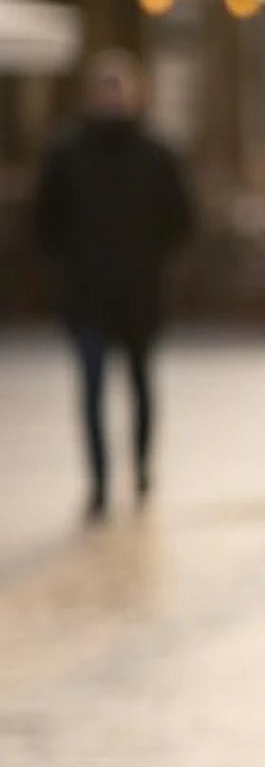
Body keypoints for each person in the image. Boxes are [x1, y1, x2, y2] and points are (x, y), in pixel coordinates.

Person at [31, 49, 195, 518]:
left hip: (140, 294)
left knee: (141, 385)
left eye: (118, 88)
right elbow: (45, 223)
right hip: (87, 295)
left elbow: (180, 220)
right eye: (105, 89)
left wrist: (152, 262)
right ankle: (100, 481)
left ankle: (141, 469)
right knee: (92, 388)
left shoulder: (157, 154)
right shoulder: (66, 154)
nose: (111, 98)